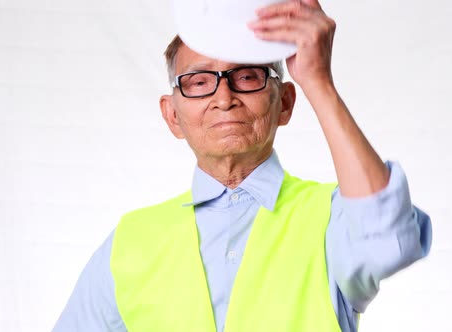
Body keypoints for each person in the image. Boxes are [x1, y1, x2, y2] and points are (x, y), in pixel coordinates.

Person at [53, 0, 432, 331]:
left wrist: (318, 81)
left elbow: (388, 240)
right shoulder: (129, 242)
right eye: (199, 81)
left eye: (246, 76)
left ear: (283, 102)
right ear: (172, 116)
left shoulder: (330, 219)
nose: (224, 96)